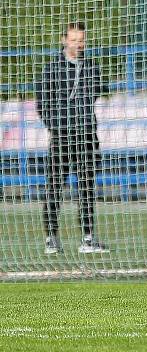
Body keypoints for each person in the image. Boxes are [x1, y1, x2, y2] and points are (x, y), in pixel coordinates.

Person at [35, 22, 110, 254]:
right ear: (64, 40)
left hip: (86, 136)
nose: (78, 44)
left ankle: (87, 238)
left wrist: (84, 122)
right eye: (74, 40)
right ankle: (51, 239)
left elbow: (97, 93)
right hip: (62, 138)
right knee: (54, 187)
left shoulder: (91, 67)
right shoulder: (51, 69)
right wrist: (57, 128)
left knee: (86, 188)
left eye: (81, 40)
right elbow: (42, 105)